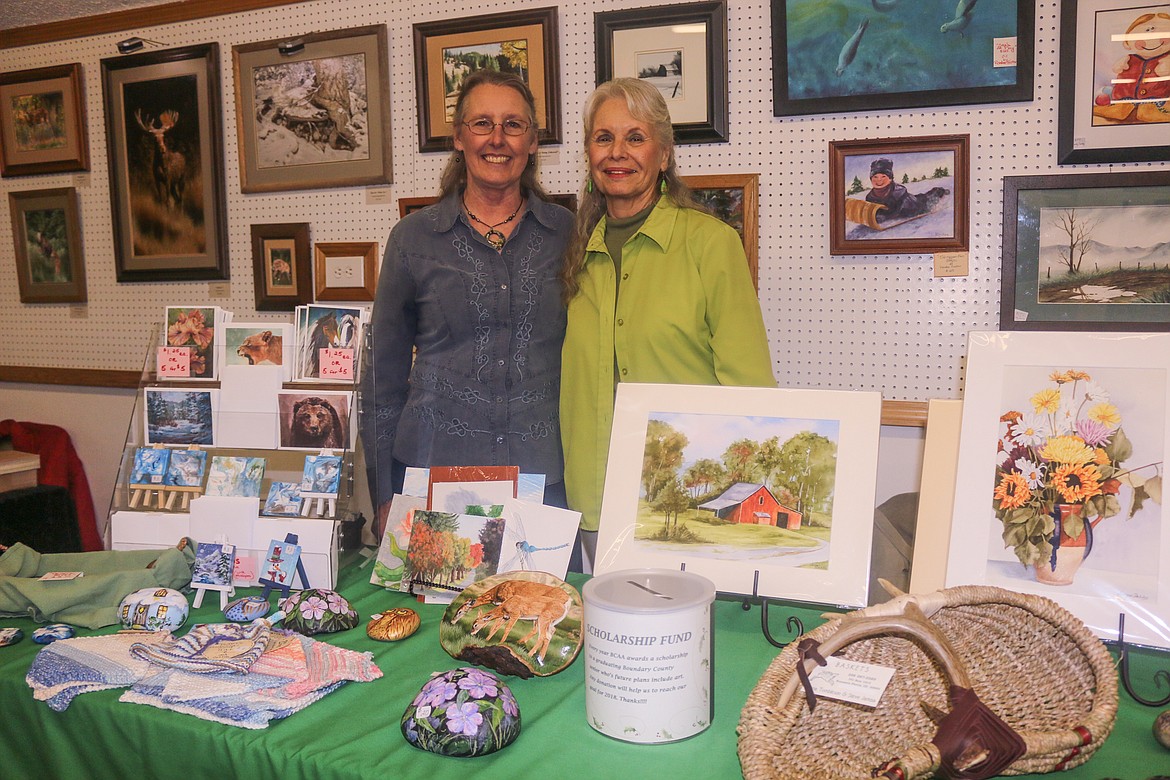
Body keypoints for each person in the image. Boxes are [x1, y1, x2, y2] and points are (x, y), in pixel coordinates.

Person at [559, 78, 775, 568]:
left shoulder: (710, 243)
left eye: (635, 138)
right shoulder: (572, 251)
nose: (618, 152)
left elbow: (750, 383)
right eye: (603, 137)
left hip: (679, 496)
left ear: (664, 154)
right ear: (589, 153)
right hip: (590, 495)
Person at [364, 70, 573, 535]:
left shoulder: (568, 234)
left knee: (537, 604)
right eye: (482, 123)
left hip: (540, 475)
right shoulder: (413, 239)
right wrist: (383, 494)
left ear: (533, 141)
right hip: (433, 469)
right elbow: (382, 377)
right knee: (436, 603)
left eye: (513, 125)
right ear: (459, 138)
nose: (497, 139)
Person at [864, 158, 948, 224]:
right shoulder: (870, 197)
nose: (879, 181)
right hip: (913, 201)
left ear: (890, 179)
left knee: (927, 199)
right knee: (921, 197)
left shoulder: (898, 193)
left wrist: (884, 216)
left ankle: (939, 191)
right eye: (875, 177)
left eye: (883, 177)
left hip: (915, 206)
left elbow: (898, 212)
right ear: (871, 179)